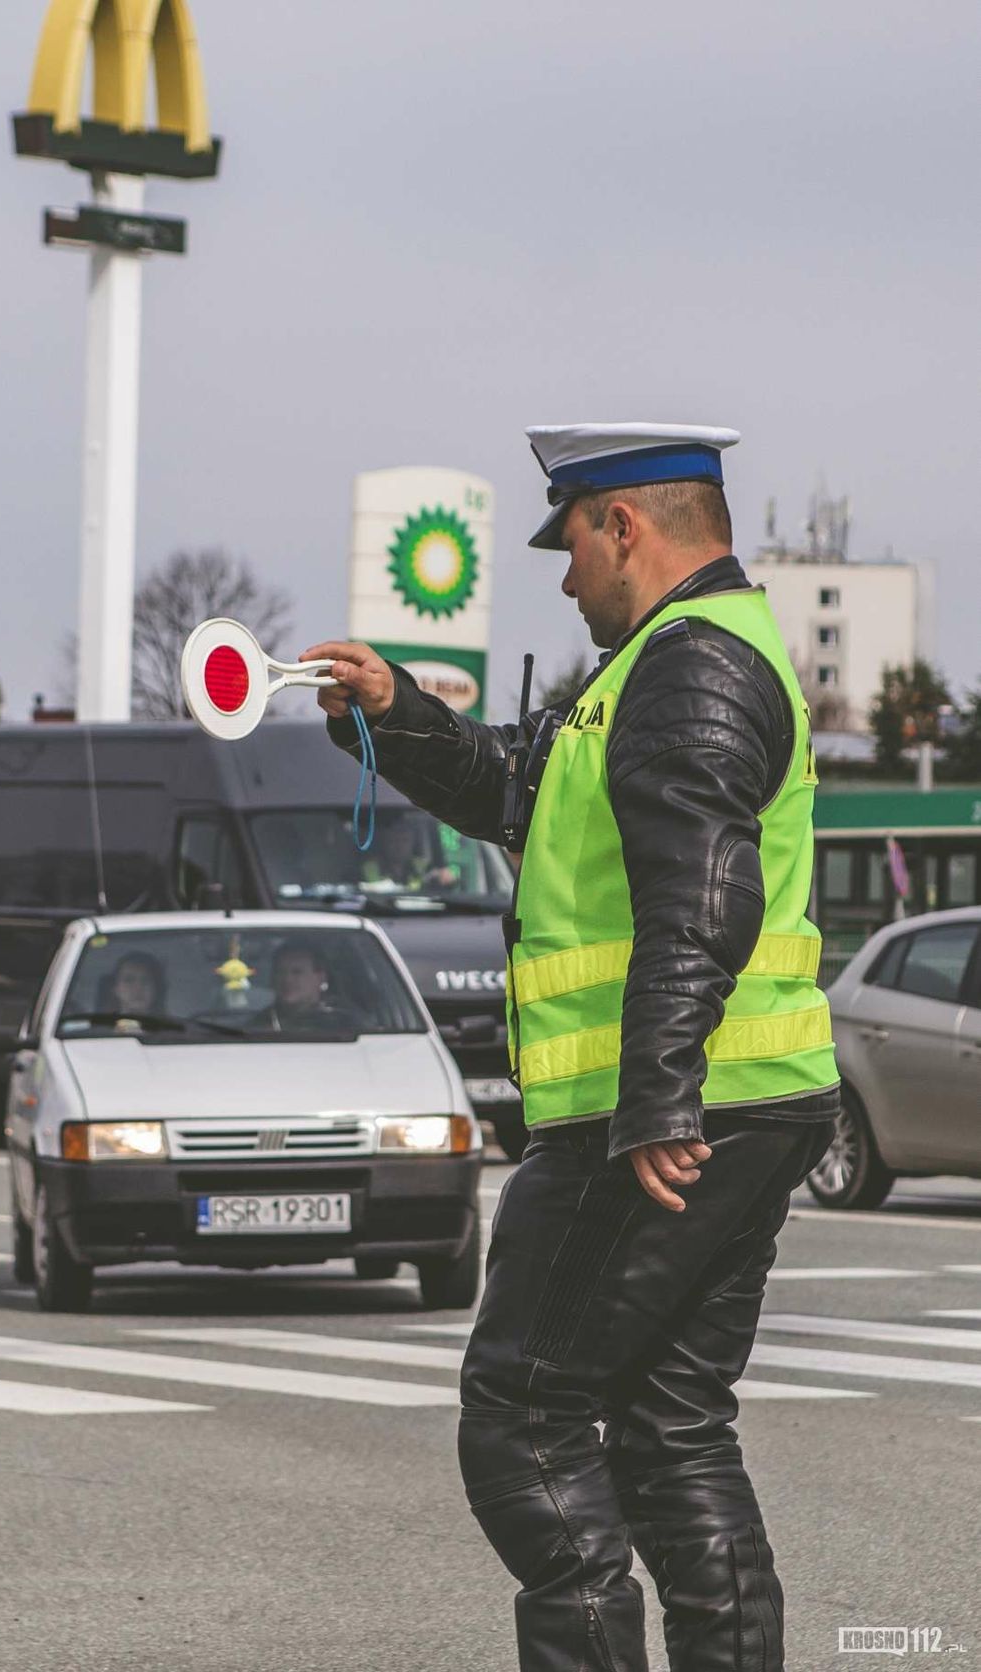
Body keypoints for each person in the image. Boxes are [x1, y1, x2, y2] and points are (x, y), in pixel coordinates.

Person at [303, 422, 840, 1672]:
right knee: (668, 1427)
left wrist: (657, 1096)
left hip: (648, 1115)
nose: (563, 577)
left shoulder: (690, 665)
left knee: (524, 1419)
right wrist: (393, 712)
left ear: (623, 528)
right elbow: (519, 790)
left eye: (571, 544)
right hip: (741, 1098)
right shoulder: (662, 667)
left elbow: (702, 890)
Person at [251, 940, 355, 1034]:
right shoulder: (257, 1025)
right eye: (280, 972)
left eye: (297, 972)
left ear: (320, 978)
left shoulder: (346, 1025)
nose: (287, 979)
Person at [361, 812, 458, 892]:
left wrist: (444, 879)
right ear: (385, 841)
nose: (399, 845)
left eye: (405, 840)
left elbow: (441, 883)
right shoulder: (370, 867)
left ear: (412, 843)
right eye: (394, 840)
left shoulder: (423, 867)